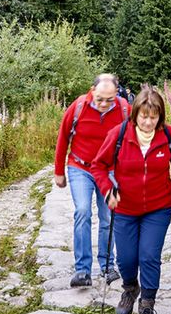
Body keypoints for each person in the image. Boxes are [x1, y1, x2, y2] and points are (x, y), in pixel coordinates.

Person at [91, 88, 171, 314]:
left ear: (160, 117)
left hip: (158, 208)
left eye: (153, 117)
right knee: (126, 260)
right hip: (125, 207)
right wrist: (107, 190)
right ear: (135, 114)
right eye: (143, 116)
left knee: (148, 256)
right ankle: (129, 288)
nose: (148, 122)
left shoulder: (168, 136)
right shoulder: (119, 135)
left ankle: (147, 305)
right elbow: (98, 166)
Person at [54, 73, 129, 287]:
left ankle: (107, 266)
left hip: (109, 170)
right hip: (81, 167)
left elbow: (133, 139)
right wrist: (59, 171)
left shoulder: (124, 110)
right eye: (100, 99)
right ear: (92, 91)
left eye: (109, 99)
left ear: (117, 94)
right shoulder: (78, 107)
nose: (104, 104)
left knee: (108, 217)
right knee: (83, 211)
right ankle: (82, 270)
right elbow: (63, 137)